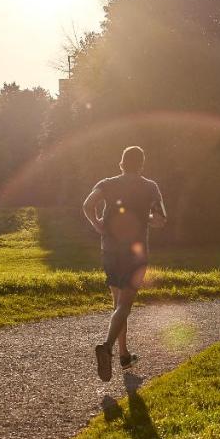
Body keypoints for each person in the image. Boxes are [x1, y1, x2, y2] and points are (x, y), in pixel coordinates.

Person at [82, 145, 167, 381]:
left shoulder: (107, 183)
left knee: (117, 304)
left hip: (108, 249)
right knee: (124, 306)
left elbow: (88, 205)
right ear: (141, 164)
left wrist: (98, 225)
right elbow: (160, 220)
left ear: (121, 162)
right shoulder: (150, 187)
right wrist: (144, 217)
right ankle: (107, 347)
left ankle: (124, 355)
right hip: (134, 254)